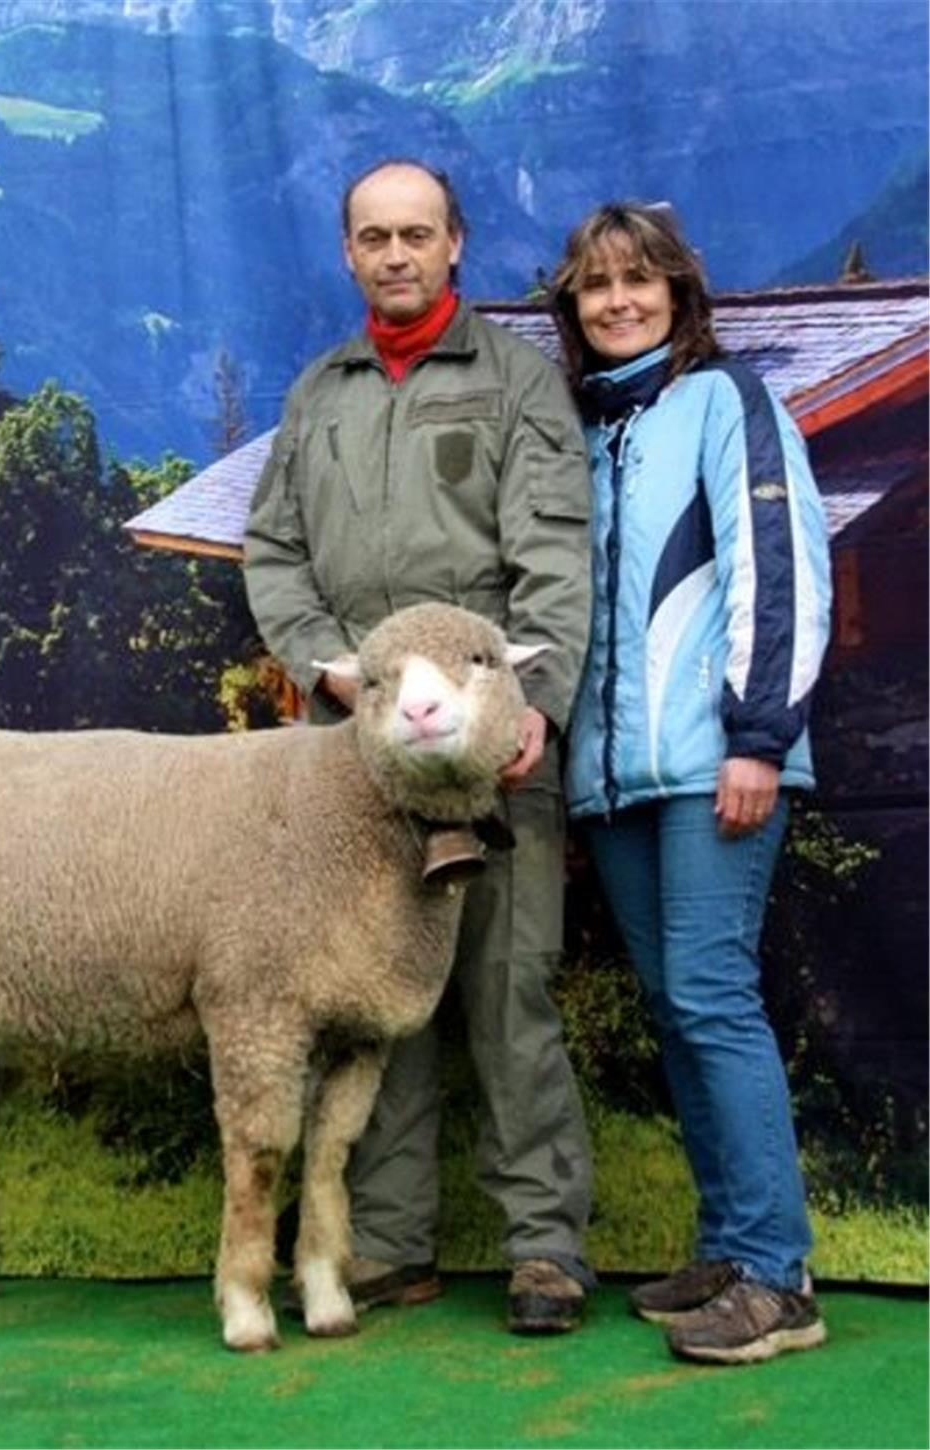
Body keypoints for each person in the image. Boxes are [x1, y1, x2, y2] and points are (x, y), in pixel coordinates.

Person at [243, 158, 595, 1334]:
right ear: (347, 253)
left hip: (486, 756)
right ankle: (388, 1243)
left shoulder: (516, 384)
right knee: (368, 998)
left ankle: (543, 1244)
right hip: (354, 760)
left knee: (504, 992)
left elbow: (551, 560)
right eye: (373, 237)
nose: (395, 254)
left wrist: (534, 706)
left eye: (417, 234)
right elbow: (274, 554)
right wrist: (326, 671)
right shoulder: (317, 395)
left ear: (456, 245)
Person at [550, 201, 833, 1364]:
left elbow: (784, 568)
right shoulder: (584, 428)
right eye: (594, 286)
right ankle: (729, 1243)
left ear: (678, 292)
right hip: (614, 783)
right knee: (678, 1008)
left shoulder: (729, 402)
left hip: (716, 762)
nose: (617, 301)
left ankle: (779, 1277)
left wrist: (758, 738)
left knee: (713, 996)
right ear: (570, 307)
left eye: (638, 281)